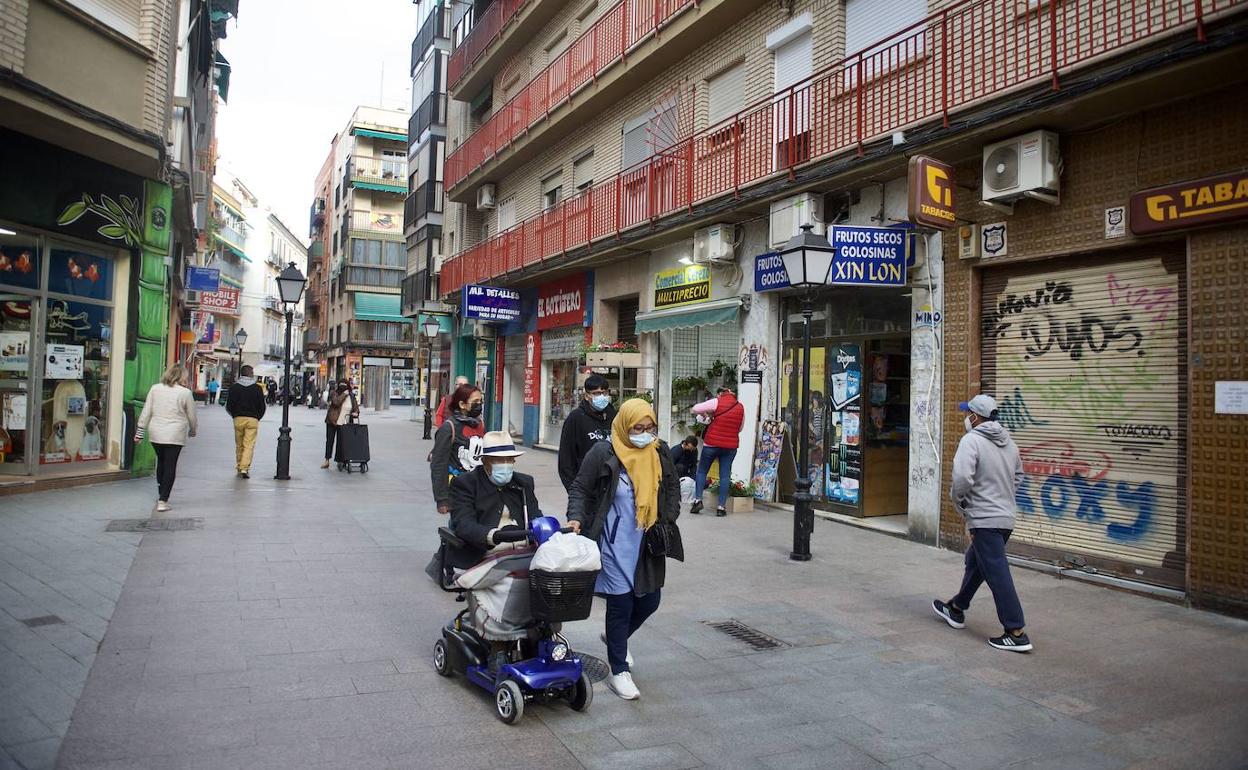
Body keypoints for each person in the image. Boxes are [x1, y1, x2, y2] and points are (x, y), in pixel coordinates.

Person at [568, 398, 680, 701]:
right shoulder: (604, 452)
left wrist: (669, 517)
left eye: (650, 427)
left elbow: (670, 487)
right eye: (638, 428)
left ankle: (615, 640)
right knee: (621, 605)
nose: (645, 433)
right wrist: (576, 517)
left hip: (647, 542)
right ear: (624, 426)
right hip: (614, 542)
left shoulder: (659, 451)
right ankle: (619, 671)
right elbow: (580, 487)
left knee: (650, 601)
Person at [933, 394, 1032, 653]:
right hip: (1004, 518)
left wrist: (960, 500)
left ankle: (1016, 631)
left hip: (984, 518)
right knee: (977, 563)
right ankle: (956, 608)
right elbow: (1019, 476)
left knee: (997, 573)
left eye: (968, 413)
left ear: (976, 417)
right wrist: (1003, 496)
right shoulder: (1009, 443)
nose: (966, 417)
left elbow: (962, 478)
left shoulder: (972, 440)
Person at [134, 364, 197, 512]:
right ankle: (163, 500)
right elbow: (192, 416)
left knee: (161, 463)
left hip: (156, 433)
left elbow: (147, 410)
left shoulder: (155, 389)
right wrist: (193, 430)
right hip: (175, 434)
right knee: (170, 465)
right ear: (181, 376)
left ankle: (161, 493)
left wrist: (140, 432)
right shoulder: (185, 393)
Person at [431, 383, 486, 514]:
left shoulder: (479, 424)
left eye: (480, 401)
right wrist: (442, 499)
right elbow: (438, 464)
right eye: (475, 402)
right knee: (462, 528)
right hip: (458, 490)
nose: (479, 405)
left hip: (479, 490)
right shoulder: (449, 428)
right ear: (462, 405)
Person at [690, 386, 745, 516]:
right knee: (725, 476)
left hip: (712, 444)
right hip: (730, 446)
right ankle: (721, 508)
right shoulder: (740, 407)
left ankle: (698, 501)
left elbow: (695, 408)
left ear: (721, 394)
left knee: (702, 471)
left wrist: (706, 415)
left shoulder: (717, 401)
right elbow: (740, 428)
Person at [557, 373, 617, 490]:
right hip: (586, 485)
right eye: (596, 393)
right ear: (586, 396)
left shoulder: (614, 416)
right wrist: (574, 490)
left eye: (604, 393)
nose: (602, 396)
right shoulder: (576, 418)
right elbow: (566, 459)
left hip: (611, 485)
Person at [224, 365, 266, 479]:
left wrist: (234, 415)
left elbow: (228, 406)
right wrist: (257, 417)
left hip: (238, 419)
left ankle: (239, 465)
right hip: (252, 419)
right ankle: (244, 468)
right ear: (250, 373)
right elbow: (262, 406)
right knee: (249, 445)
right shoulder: (257, 388)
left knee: (239, 444)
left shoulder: (234, 388)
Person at [321, 380, 358, 469]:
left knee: (341, 443)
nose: (343, 387)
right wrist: (344, 394)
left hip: (344, 423)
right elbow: (336, 402)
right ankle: (327, 460)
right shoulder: (335, 393)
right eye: (341, 385)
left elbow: (355, 407)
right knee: (330, 441)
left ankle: (340, 460)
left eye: (345, 386)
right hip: (332, 421)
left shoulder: (352, 396)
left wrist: (356, 412)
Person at [669, 435, 699, 505]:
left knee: (700, 480)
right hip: (675, 474)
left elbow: (693, 465)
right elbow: (669, 466)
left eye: (693, 449)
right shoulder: (676, 450)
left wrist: (692, 479)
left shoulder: (694, 451)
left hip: (686, 475)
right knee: (680, 467)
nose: (691, 450)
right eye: (690, 448)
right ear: (685, 444)